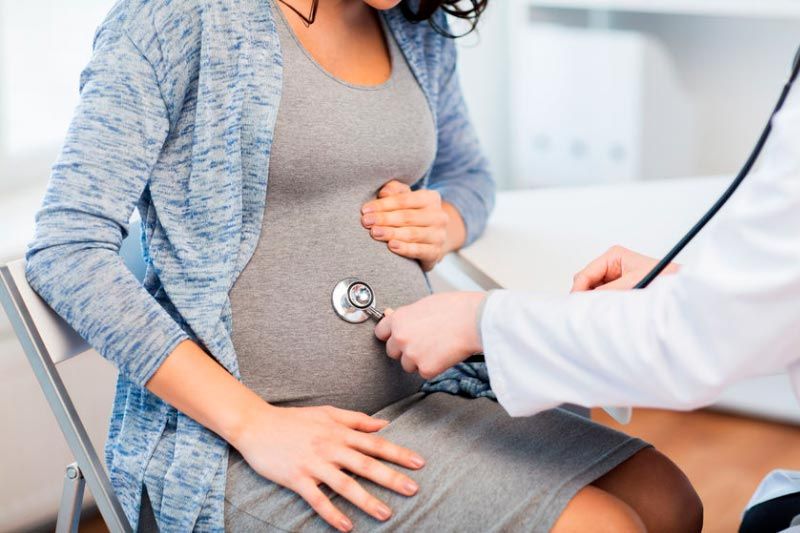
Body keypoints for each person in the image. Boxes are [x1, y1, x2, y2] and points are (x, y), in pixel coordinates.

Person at [25, 0, 701, 531]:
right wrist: (253, 425)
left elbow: (470, 174)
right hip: (248, 445)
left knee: (669, 499)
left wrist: (449, 218)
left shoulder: (416, 24)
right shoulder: (175, 18)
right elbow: (65, 252)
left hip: (423, 399)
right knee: (601, 525)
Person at [374, 55, 800, 531]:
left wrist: (479, 321)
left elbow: (703, 336)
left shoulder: (420, 36)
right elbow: (764, 296)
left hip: (422, 394)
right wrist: (687, 283)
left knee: (671, 502)